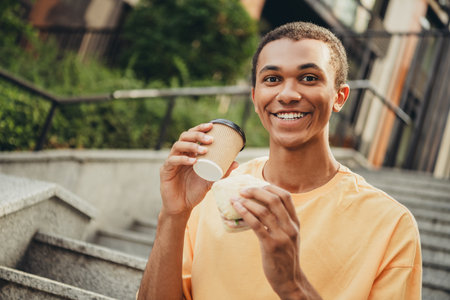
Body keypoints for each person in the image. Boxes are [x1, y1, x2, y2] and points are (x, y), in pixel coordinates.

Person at [137, 22, 422, 300]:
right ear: (255, 96)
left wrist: (293, 285)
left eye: (309, 78)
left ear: (339, 97)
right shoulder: (214, 191)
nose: (287, 95)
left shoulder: (391, 225)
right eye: (272, 79)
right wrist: (173, 216)